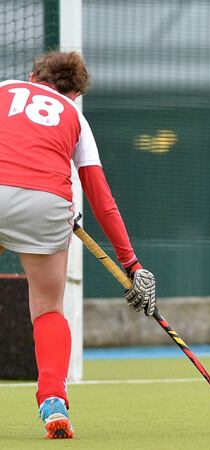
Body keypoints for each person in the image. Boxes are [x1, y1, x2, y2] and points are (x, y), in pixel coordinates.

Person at [0, 51, 157, 439]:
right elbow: (102, 200)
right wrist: (133, 265)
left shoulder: (3, 90)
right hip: (48, 204)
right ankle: (52, 400)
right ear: (74, 94)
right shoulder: (76, 118)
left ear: (34, 75)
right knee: (48, 309)